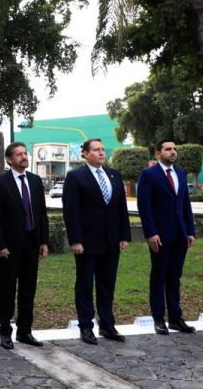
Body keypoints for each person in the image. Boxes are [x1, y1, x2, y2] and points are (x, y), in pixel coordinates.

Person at [62, 138, 131, 345]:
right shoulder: (75, 177)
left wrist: (124, 235)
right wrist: (75, 239)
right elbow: (71, 210)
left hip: (111, 241)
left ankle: (107, 325)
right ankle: (86, 326)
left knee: (107, 284)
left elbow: (121, 207)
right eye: (96, 150)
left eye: (102, 149)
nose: (101, 153)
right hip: (86, 242)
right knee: (85, 285)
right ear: (85, 154)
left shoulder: (114, 174)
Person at [0, 142, 49, 349]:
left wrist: (43, 241)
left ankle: (25, 331)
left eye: (25, 153)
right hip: (9, 247)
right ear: (9, 159)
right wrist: (0, 245)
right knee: (7, 289)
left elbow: (41, 214)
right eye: (19, 154)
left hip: (32, 244)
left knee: (28, 289)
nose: (24, 157)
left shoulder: (35, 181)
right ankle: (5, 332)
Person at [136, 140, 197, 335]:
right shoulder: (148, 175)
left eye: (175, 149)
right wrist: (151, 233)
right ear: (158, 153)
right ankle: (158, 318)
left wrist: (190, 231)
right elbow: (144, 206)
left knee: (175, 277)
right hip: (160, 235)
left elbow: (185, 204)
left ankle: (176, 318)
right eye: (168, 149)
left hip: (180, 234)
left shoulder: (180, 173)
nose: (173, 152)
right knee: (159, 275)